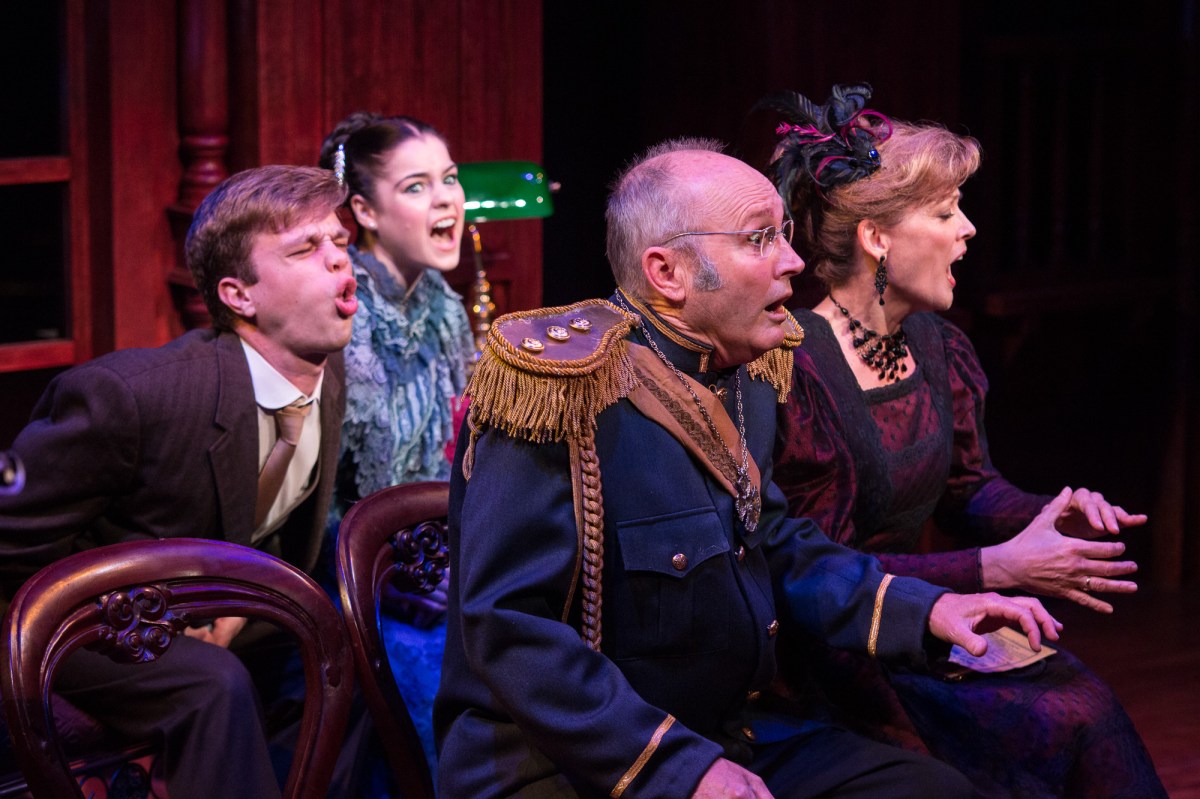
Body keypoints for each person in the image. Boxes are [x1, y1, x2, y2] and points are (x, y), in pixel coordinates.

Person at [434, 137, 1066, 799]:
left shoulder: (748, 374)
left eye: (784, 235)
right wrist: (680, 769)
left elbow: (775, 544)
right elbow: (510, 629)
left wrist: (928, 610)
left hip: (719, 734)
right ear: (667, 272)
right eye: (759, 239)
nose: (793, 261)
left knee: (930, 789)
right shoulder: (558, 390)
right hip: (573, 763)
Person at [762, 84, 1167, 797]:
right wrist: (996, 568)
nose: (969, 229)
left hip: (934, 619)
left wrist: (1044, 518)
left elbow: (968, 489)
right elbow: (819, 570)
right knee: (1062, 720)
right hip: (841, 652)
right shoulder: (800, 371)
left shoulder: (937, 346)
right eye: (946, 212)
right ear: (877, 238)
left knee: (1088, 710)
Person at [0, 165, 357, 799]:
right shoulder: (131, 397)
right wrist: (141, 619)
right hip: (78, 619)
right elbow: (10, 544)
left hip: (202, 605)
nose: (337, 258)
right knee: (211, 685)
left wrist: (233, 609)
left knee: (347, 647)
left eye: (339, 241)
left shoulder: (326, 379)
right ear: (239, 296)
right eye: (305, 248)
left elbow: (262, 527)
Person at [316, 112, 473, 773]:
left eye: (450, 179)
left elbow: (457, 452)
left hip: (435, 554)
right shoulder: (342, 312)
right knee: (434, 678)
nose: (445, 200)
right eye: (416, 186)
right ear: (364, 211)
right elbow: (322, 496)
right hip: (348, 568)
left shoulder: (443, 306)